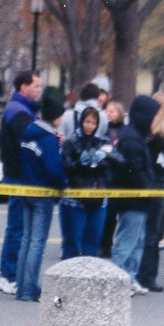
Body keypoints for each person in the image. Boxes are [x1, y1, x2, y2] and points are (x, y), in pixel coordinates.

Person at [16, 95, 67, 302]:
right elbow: (54, 169)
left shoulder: (28, 134)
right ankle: (29, 289)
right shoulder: (48, 139)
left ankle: (22, 286)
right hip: (42, 193)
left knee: (27, 240)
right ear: (55, 117)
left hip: (26, 189)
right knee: (37, 242)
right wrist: (63, 185)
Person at [0, 70, 42, 294]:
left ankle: (13, 273)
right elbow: (30, 135)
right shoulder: (17, 110)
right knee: (17, 227)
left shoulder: (24, 110)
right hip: (18, 176)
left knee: (21, 228)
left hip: (23, 175)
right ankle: (7, 275)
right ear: (24, 87)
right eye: (36, 86)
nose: (39, 90)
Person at [111, 94, 159, 296]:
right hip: (132, 199)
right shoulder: (130, 139)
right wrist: (148, 186)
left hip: (140, 199)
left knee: (138, 240)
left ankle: (130, 276)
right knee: (127, 241)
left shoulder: (136, 136)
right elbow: (134, 169)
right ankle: (118, 278)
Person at [59, 106, 115, 258]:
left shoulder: (102, 142)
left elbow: (113, 167)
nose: (90, 126)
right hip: (75, 198)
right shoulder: (71, 142)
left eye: (93, 123)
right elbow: (65, 167)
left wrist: (104, 159)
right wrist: (79, 163)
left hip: (98, 197)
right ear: (81, 121)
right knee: (72, 243)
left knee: (93, 241)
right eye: (87, 121)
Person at [136, 91, 164, 292]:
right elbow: (163, 158)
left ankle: (149, 273)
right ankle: (146, 275)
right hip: (159, 184)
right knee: (153, 233)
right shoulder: (157, 133)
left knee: (158, 233)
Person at [99, 101, 126, 257]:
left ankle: (107, 245)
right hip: (105, 176)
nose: (109, 114)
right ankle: (102, 244)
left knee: (112, 215)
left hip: (117, 178)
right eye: (107, 111)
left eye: (112, 111)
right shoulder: (104, 130)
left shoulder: (123, 132)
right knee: (105, 214)